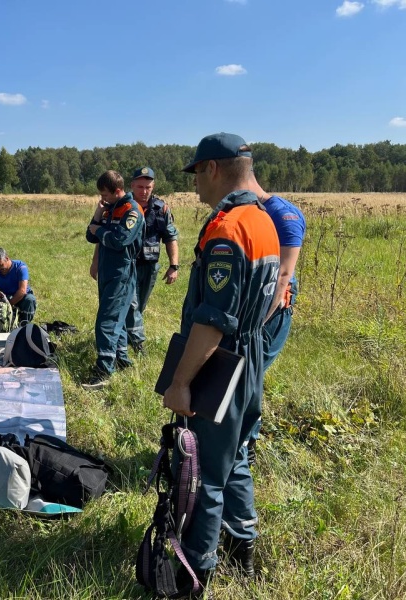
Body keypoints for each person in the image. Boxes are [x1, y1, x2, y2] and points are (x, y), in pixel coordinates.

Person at [163, 133, 280, 596]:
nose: (195, 187)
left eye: (196, 175)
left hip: (220, 361)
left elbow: (212, 322)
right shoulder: (265, 221)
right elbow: (272, 297)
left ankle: (194, 572)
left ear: (212, 168)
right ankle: (242, 548)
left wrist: (181, 382)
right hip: (249, 356)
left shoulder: (228, 228)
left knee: (204, 472)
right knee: (237, 459)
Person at [244, 175, 307, 464]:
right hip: (247, 311)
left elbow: (283, 276)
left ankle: (247, 442)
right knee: (241, 373)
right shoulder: (247, 211)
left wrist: (258, 323)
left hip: (270, 314)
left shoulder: (283, 214)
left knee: (249, 374)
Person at [82, 170, 143, 390]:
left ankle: (104, 370)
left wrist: (100, 231)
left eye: (105, 194)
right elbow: (90, 235)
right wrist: (98, 216)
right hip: (107, 271)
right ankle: (121, 360)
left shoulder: (131, 211)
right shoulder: (109, 209)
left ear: (118, 191)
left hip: (122, 273)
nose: (102, 199)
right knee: (115, 317)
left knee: (106, 321)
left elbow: (119, 241)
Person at [125, 166, 180, 354]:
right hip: (128, 265)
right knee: (131, 305)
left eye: (148, 187)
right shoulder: (124, 206)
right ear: (132, 185)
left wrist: (174, 265)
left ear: (153, 186)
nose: (144, 191)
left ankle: (123, 339)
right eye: (140, 187)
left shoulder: (161, 209)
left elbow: (171, 237)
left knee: (139, 306)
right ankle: (139, 345)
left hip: (150, 265)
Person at [0, 248, 37, 323]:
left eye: (1, 265)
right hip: (5, 297)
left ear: (7, 258)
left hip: (21, 298)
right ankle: (1, 322)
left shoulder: (20, 267)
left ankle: (23, 323)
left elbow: (22, 291)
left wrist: (8, 305)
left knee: (30, 300)